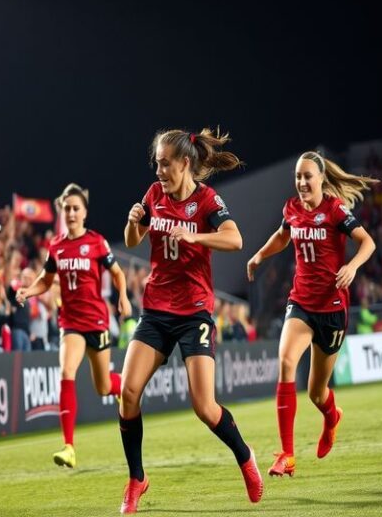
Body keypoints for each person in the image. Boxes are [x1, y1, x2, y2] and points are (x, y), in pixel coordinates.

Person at [119, 129, 261, 513]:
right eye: (157, 163)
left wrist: (196, 237)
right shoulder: (154, 194)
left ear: (184, 163)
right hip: (156, 310)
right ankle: (136, 479)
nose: (159, 170)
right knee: (128, 393)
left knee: (204, 407)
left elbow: (235, 239)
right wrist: (133, 222)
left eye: (165, 164)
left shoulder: (207, 200)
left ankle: (245, 455)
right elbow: (132, 241)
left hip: (194, 311)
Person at [247, 151, 377, 477]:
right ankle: (287, 455)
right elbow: (282, 236)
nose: (302, 182)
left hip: (332, 309)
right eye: (298, 176)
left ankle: (332, 417)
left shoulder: (335, 210)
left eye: (308, 176)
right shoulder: (291, 209)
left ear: (321, 178)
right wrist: (259, 256)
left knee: (316, 392)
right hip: (301, 303)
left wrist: (352, 266)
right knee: (286, 361)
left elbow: (367, 243)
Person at [17, 183, 132, 470]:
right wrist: (28, 291)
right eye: (67, 208)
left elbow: (117, 273)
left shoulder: (97, 242)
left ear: (84, 213)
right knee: (66, 372)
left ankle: (121, 385)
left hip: (97, 320)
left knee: (103, 386)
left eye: (75, 208)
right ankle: (69, 447)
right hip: (71, 323)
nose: (70, 213)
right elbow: (46, 279)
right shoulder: (56, 246)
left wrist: (123, 298)